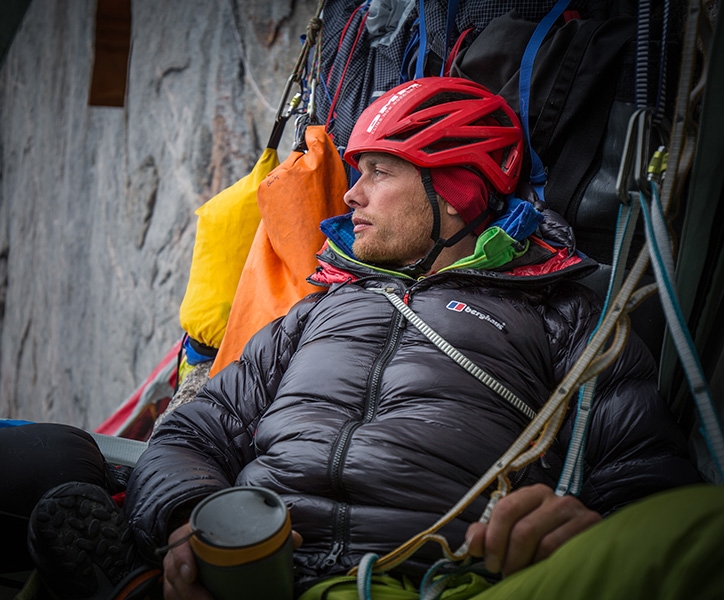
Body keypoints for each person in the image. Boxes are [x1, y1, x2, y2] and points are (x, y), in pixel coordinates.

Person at [121, 77, 700, 599]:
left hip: (448, 580)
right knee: (48, 459)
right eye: (356, 172)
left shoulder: (560, 316)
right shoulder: (313, 313)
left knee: (702, 530)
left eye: (380, 171)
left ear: (453, 192)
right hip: (267, 572)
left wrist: (586, 526)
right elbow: (188, 434)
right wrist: (189, 525)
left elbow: (645, 476)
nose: (351, 195)